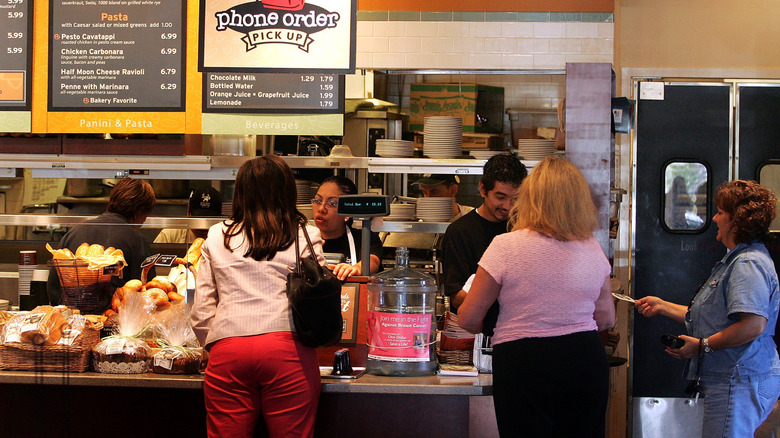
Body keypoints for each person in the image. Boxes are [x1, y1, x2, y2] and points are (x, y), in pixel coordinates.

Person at [457, 156, 615, 437]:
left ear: (528, 197)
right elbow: (605, 318)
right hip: (584, 360)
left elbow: (468, 318)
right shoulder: (592, 247)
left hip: (524, 362)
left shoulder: (505, 246)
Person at [635, 179, 780, 438]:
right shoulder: (736, 259)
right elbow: (712, 319)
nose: (714, 218)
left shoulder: (747, 264)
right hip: (733, 380)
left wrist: (702, 346)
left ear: (738, 220)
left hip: (738, 381)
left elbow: (753, 324)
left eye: (721, 212)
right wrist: (662, 306)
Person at [191, 155, 322, 438]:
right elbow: (316, 299)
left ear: (240, 191)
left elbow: (201, 311)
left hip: (228, 348)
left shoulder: (216, 235)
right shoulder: (305, 234)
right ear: (288, 190)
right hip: (288, 351)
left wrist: (216, 347)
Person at [441, 154, 528, 336]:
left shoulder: (525, 229)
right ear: (482, 189)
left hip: (521, 332)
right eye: (500, 197)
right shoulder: (459, 232)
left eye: (516, 199)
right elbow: (457, 298)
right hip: (476, 335)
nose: (508, 206)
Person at [46, 177, 156, 312]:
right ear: (140, 211)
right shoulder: (137, 242)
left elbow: (53, 287)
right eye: (147, 214)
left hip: (72, 324)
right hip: (115, 325)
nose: (145, 220)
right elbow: (147, 294)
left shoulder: (73, 232)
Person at [381, 174, 474, 254]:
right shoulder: (415, 222)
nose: (428, 198)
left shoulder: (471, 217)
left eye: (434, 192)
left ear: (453, 190)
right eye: (424, 193)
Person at [312, 175, 382, 280]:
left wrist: (356, 268)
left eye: (332, 203)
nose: (321, 209)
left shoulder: (364, 238)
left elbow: (373, 261)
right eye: (318, 200)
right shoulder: (304, 240)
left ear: (347, 212)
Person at [154, 186, 223, 243]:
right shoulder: (169, 235)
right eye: (198, 218)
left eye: (209, 220)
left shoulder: (225, 239)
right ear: (188, 212)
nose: (202, 227)